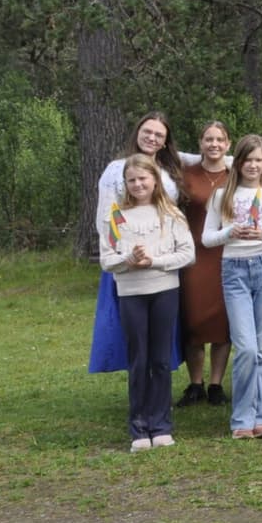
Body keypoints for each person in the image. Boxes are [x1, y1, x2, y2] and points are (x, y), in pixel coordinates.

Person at [97, 154, 195, 451]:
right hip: (131, 295)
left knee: (160, 360)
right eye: (132, 180)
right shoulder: (115, 217)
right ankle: (139, 427)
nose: (138, 184)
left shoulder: (172, 215)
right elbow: (107, 260)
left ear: (155, 180)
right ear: (125, 184)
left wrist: (155, 261)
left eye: (143, 178)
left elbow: (187, 254)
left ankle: (161, 424)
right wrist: (129, 259)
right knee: (138, 360)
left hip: (164, 291)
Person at [89, 113, 187, 378]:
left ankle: (157, 390)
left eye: (159, 135)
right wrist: (119, 256)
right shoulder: (117, 169)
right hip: (128, 261)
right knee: (132, 331)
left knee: (159, 333)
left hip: (161, 262)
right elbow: (106, 217)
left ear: (166, 142)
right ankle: (139, 387)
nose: (152, 138)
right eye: (147, 132)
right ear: (137, 133)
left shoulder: (169, 173)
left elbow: (204, 157)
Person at [203, 134, 262, 439]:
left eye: (258, 160)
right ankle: (241, 418)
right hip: (234, 271)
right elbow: (207, 238)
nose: (253, 165)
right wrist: (229, 232)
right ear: (237, 162)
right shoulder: (222, 196)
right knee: (246, 348)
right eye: (248, 160)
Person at [176, 121, 232, 407]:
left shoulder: (235, 175)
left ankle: (216, 384)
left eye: (219, 139)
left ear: (228, 144)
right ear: (200, 144)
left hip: (226, 255)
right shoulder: (186, 175)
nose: (214, 144)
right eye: (208, 139)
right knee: (193, 319)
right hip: (193, 256)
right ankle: (195, 382)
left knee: (222, 322)